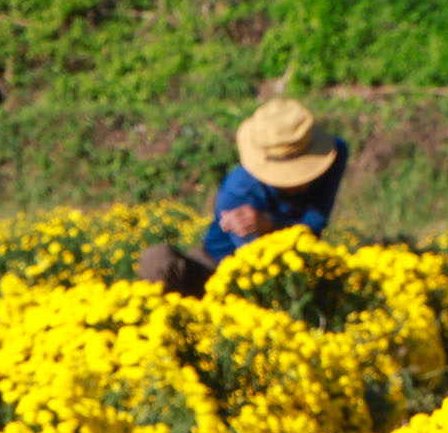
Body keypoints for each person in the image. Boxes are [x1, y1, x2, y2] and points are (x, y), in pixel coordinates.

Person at [137, 98, 350, 297]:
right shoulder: (238, 191)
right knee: (155, 260)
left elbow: (316, 224)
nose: (301, 180)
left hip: (298, 264)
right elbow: (255, 266)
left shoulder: (334, 155)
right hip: (221, 266)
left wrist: (268, 222)